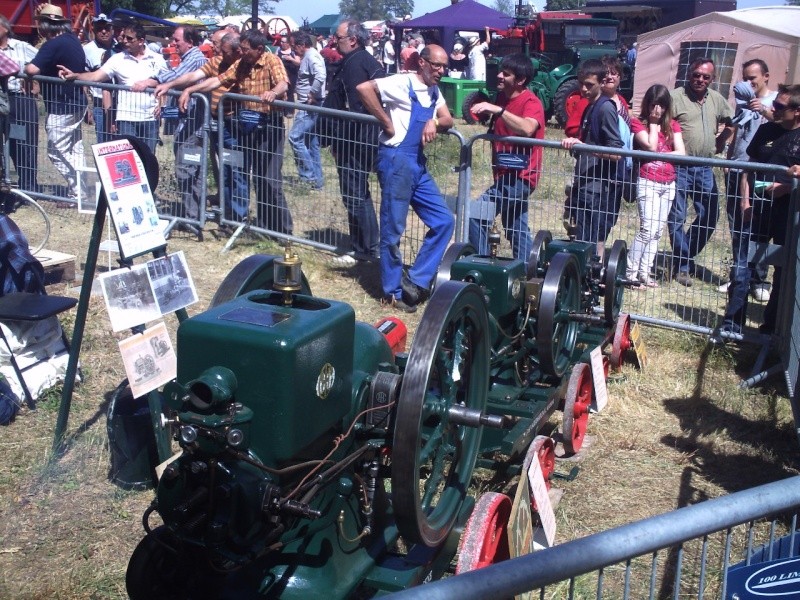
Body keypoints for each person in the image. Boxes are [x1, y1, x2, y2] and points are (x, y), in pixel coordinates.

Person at [357, 44, 455, 313]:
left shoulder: (434, 91)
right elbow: (364, 89)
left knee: (444, 221)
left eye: (445, 66)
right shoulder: (402, 82)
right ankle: (392, 292)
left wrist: (434, 122)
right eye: (437, 65)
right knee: (393, 230)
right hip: (396, 160)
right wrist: (386, 123)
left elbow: (448, 118)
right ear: (422, 63)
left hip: (416, 164)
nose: (441, 71)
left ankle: (416, 280)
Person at [179, 29, 291, 233]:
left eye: (246, 49)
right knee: (246, 174)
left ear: (259, 49)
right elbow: (218, 80)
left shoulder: (272, 60)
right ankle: (254, 225)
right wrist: (190, 89)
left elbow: (284, 83)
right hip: (247, 126)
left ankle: (283, 230)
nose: (242, 52)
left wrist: (273, 92)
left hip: (269, 125)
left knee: (269, 178)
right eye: (241, 48)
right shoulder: (242, 64)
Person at [720, 84, 800, 337]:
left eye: (779, 106)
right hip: (757, 210)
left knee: (783, 272)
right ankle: (733, 325)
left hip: (789, 216)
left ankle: (771, 330)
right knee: (743, 266)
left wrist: (787, 187)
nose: (773, 109)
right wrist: (745, 202)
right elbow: (749, 169)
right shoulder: (766, 130)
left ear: (797, 111)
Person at [467, 53, 545, 259]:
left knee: (475, 214)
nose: (500, 76)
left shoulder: (531, 102)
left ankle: (483, 266)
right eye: (501, 71)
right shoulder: (502, 97)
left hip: (521, 177)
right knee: (516, 227)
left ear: (520, 80)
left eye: (507, 74)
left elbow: (528, 128)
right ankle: (526, 272)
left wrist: (499, 111)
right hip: (504, 174)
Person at [668, 57, 734, 286]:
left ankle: (684, 254)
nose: (700, 79)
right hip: (678, 168)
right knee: (676, 216)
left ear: (712, 79)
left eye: (706, 76)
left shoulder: (716, 99)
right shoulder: (676, 97)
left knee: (710, 215)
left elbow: (732, 121)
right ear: (689, 74)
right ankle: (682, 266)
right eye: (696, 74)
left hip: (705, 167)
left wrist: (721, 141)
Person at [133, 26, 208, 221]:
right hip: (187, 122)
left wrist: (152, 80)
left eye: (177, 40)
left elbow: (178, 76)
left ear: (190, 41)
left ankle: (193, 216)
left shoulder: (196, 58)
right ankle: (193, 213)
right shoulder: (187, 58)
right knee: (189, 168)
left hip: (195, 124)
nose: (173, 43)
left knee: (186, 168)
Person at [325, 19, 384, 265]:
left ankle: (369, 249)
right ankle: (361, 246)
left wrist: (339, 141)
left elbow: (354, 106)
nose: (334, 42)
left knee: (355, 194)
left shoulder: (357, 63)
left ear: (353, 40)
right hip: (359, 136)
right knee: (356, 193)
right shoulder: (361, 61)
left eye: (338, 38)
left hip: (356, 138)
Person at [722, 59, 777, 322]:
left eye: (753, 78)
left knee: (760, 229)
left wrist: (765, 111)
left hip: (760, 176)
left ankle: (758, 279)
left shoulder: (776, 103)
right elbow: (738, 132)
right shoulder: (743, 101)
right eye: (745, 78)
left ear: (766, 76)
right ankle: (738, 275)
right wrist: (729, 159)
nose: (748, 83)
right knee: (738, 228)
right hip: (738, 171)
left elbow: (781, 127)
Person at [60, 24, 166, 153]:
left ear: (141, 41)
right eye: (124, 37)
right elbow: (95, 76)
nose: (125, 41)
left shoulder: (158, 59)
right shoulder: (117, 59)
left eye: (130, 38)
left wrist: (161, 105)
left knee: (148, 158)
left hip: (150, 118)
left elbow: (166, 82)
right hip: (126, 119)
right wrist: (75, 75)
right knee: (129, 158)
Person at [24, 3, 88, 202]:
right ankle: (83, 190)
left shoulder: (53, 44)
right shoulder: (72, 40)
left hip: (62, 105)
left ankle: (79, 189)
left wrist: (25, 66)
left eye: (41, 23)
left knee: (55, 150)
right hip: (77, 101)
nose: (39, 28)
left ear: (49, 24)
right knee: (74, 148)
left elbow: (32, 70)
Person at [561, 59, 623, 259]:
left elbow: (616, 153)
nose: (583, 89)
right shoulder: (589, 107)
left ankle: (592, 278)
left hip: (598, 189)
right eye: (581, 84)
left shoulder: (605, 108)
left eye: (589, 85)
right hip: (585, 184)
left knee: (591, 240)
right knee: (581, 238)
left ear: (602, 82)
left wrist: (586, 148)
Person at [626, 84, 685, 288]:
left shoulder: (673, 126)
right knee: (647, 229)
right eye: (653, 104)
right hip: (647, 181)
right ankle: (630, 273)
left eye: (661, 105)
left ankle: (645, 272)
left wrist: (662, 155)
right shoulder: (638, 123)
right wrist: (652, 124)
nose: (657, 110)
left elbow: (681, 152)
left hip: (668, 183)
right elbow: (650, 147)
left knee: (658, 231)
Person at [0, 14, 39, 193]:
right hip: (2, 102)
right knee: (6, 144)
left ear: (5, 29)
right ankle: (6, 185)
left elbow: (44, 61)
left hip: (20, 100)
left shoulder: (21, 47)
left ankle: (28, 187)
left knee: (25, 143)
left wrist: (36, 80)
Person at [287, 31, 325, 190]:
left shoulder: (311, 56)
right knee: (310, 142)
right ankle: (317, 181)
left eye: (294, 46)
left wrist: (311, 93)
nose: (293, 49)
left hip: (308, 104)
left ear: (302, 45)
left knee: (295, 138)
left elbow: (320, 75)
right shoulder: (309, 56)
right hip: (309, 103)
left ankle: (308, 177)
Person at [82, 13, 115, 144]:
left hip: (121, 104)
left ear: (112, 30)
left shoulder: (120, 46)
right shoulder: (87, 50)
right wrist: (86, 108)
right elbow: (83, 81)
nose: (104, 31)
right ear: (94, 30)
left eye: (107, 28)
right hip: (99, 103)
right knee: (104, 143)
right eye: (99, 28)